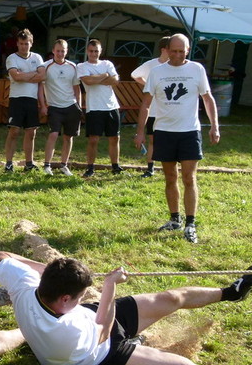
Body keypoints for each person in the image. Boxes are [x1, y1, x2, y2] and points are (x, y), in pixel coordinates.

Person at [0, 250, 252, 365]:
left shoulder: (24, 284)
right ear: (64, 299)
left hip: (93, 317)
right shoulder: (63, 333)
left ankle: (231, 293)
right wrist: (110, 286)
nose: (84, 296)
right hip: (104, 351)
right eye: (81, 295)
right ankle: (136, 342)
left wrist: (50, 269)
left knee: (172, 298)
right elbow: (103, 328)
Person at [135, 34, 221, 243]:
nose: (177, 55)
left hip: (189, 131)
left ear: (188, 50)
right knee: (170, 177)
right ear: (167, 50)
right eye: (174, 51)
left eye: (181, 51)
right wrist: (140, 131)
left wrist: (214, 126)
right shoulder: (157, 72)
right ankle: (175, 219)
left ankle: (191, 224)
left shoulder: (196, 69)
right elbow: (146, 104)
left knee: (189, 178)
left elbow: (207, 98)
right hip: (164, 131)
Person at [77, 39, 122, 177]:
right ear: (87, 51)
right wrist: (105, 75)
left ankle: (115, 166)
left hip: (111, 106)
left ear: (100, 51)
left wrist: (96, 78)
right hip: (94, 107)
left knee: (114, 138)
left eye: (96, 51)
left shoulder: (107, 64)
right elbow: (88, 81)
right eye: (91, 51)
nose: (94, 54)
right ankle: (90, 168)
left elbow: (115, 80)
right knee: (93, 139)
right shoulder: (82, 66)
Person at [3, 28, 45, 173]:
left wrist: (24, 75)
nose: (23, 46)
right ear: (17, 44)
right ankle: (9, 163)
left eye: (26, 43)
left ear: (31, 43)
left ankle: (29, 163)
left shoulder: (37, 58)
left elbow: (42, 76)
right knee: (14, 131)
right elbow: (16, 77)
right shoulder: (12, 58)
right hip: (16, 99)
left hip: (32, 99)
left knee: (31, 132)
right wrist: (33, 74)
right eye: (21, 43)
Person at [38, 39, 81, 176]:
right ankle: (47, 165)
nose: (60, 53)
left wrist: (79, 106)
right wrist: (43, 105)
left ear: (66, 52)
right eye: (58, 51)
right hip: (54, 106)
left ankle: (64, 165)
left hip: (71, 106)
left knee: (68, 137)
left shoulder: (73, 66)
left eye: (63, 51)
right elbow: (40, 87)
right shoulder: (45, 66)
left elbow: (76, 88)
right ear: (53, 51)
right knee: (53, 134)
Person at [131, 36, 171, 178]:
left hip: (169, 110)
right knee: (152, 139)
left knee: (169, 140)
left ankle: (169, 166)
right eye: (171, 49)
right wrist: (148, 85)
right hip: (153, 110)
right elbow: (135, 75)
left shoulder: (174, 66)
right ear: (163, 49)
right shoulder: (151, 65)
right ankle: (150, 168)